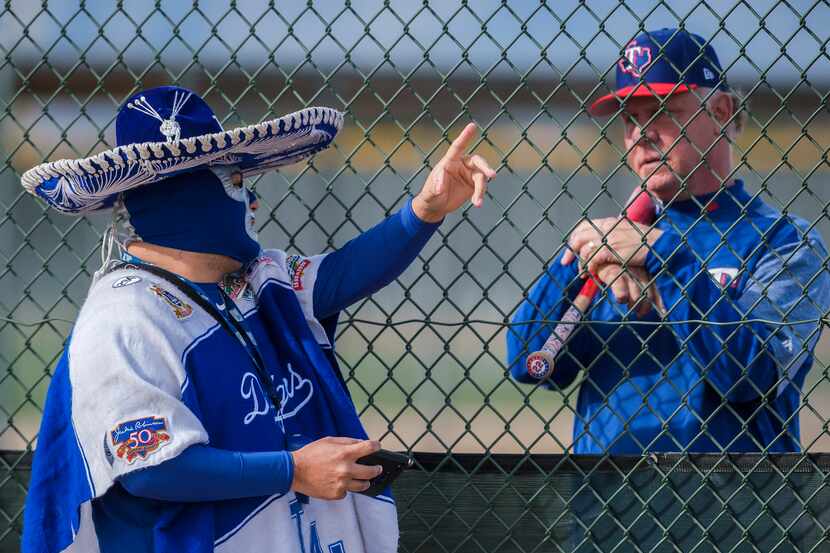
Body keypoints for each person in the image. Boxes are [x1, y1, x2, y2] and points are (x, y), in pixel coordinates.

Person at [21, 86, 496, 553]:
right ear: (185, 196)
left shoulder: (253, 280)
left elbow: (343, 274)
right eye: (235, 182)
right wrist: (293, 470)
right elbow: (148, 468)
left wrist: (425, 211)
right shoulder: (125, 315)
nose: (251, 203)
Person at [507, 28, 830, 455]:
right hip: (607, 511)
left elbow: (747, 374)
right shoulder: (614, 241)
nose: (642, 133)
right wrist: (575, 262)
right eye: (630, 119)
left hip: (735, 511)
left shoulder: (787, 242)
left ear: (720, 111)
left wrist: (660, 257)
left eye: (661, 111)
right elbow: (531, 365)